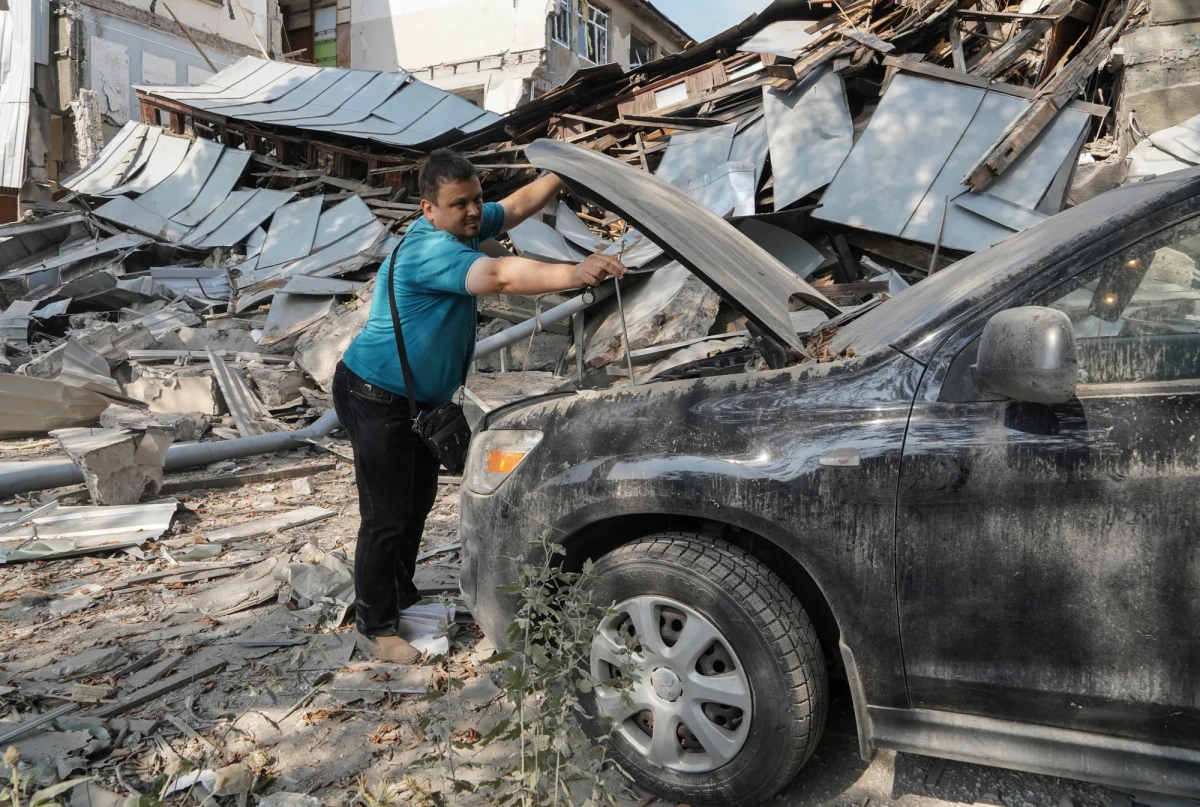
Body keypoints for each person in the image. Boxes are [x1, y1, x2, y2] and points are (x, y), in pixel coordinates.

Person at [333, 149, 627, 663]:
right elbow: (501, 278)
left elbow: (513, 207)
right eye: (459, 205)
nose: (474, 213)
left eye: (476, 199)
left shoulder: (463, 222)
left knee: (416, 504)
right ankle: (374, 625)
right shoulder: (431, 251)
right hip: (374, 393)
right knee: (385, 515)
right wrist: (575, 272)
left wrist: (561, 174)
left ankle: (402, 598)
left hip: (420, 400)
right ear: (429, 209)